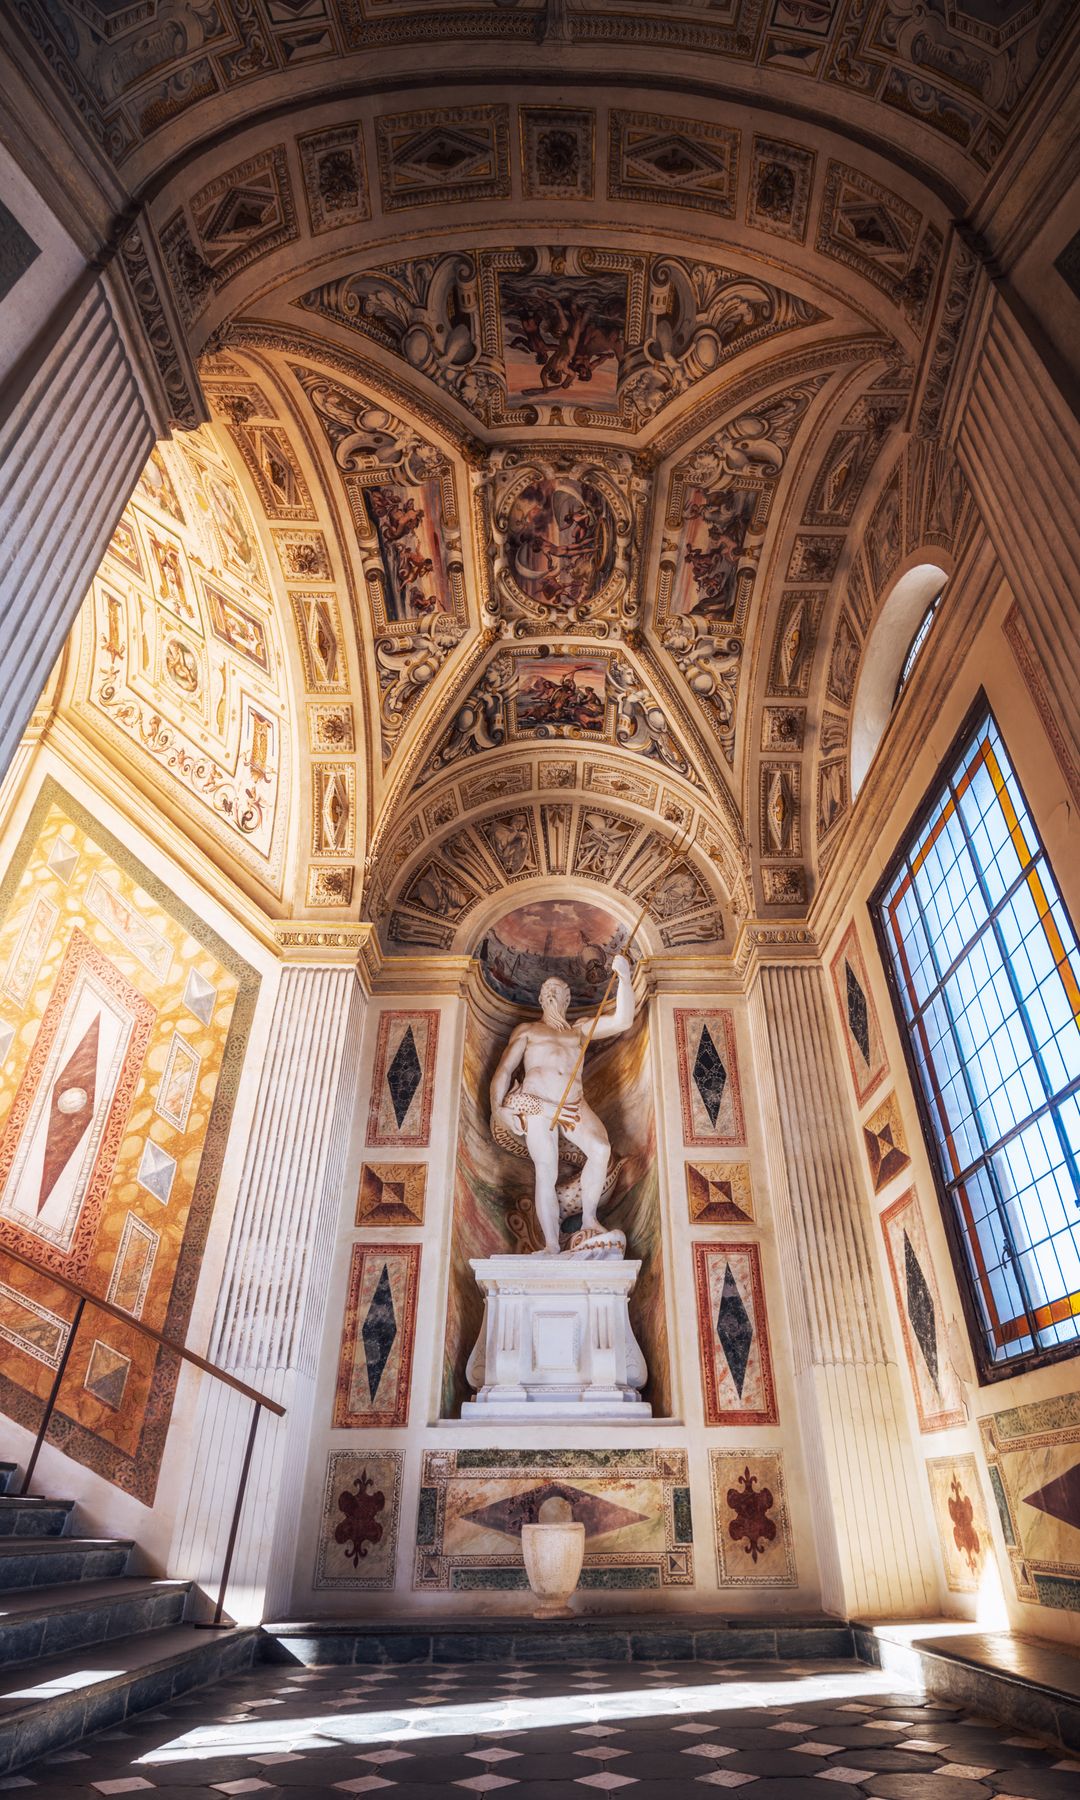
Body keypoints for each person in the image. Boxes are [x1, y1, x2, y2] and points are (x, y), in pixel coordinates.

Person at [489, 955, 634, 1254]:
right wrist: (497, 1109)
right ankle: (552, 1245)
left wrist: (624, 977)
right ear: (541, 999)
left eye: (558, 990)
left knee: (601, 1149)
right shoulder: (528, 1030)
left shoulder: (579, 1030)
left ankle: (589, 1219)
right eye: (547, 991)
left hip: (573, 1103)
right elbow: (504, 1071)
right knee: (546, 1169)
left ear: (568, 999)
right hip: (537, 1105)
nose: (552, 994)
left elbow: (623, 1020)